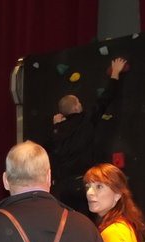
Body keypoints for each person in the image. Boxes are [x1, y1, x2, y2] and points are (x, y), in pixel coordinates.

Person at [50, 57, 128, 212]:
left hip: (62, 188)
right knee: (86, 220)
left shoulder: (57, 130)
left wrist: (56, 126)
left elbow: (53, 151)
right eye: (79, 102)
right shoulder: (86, 120)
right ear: (76, 107)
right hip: (83, 183)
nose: (81, 104)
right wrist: (115, 73)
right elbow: (105, 99)